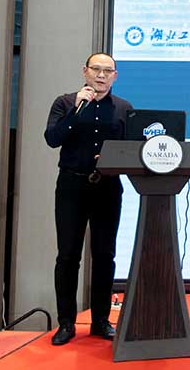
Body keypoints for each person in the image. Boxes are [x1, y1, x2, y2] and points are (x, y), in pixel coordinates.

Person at [44, 53, 132, 346]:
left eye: (108, 71)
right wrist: (75, 112)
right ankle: (66, 323)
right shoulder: (65, 103)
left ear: (115, 76)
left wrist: (110, 158)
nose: (101, 75)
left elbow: (131, 148)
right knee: (68, 255)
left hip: (108, 187)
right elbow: (52, 138)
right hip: (71, 185)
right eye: (96, 69)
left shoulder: (124, 108)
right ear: (85, 71)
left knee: (105, 256)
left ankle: (100, 321)